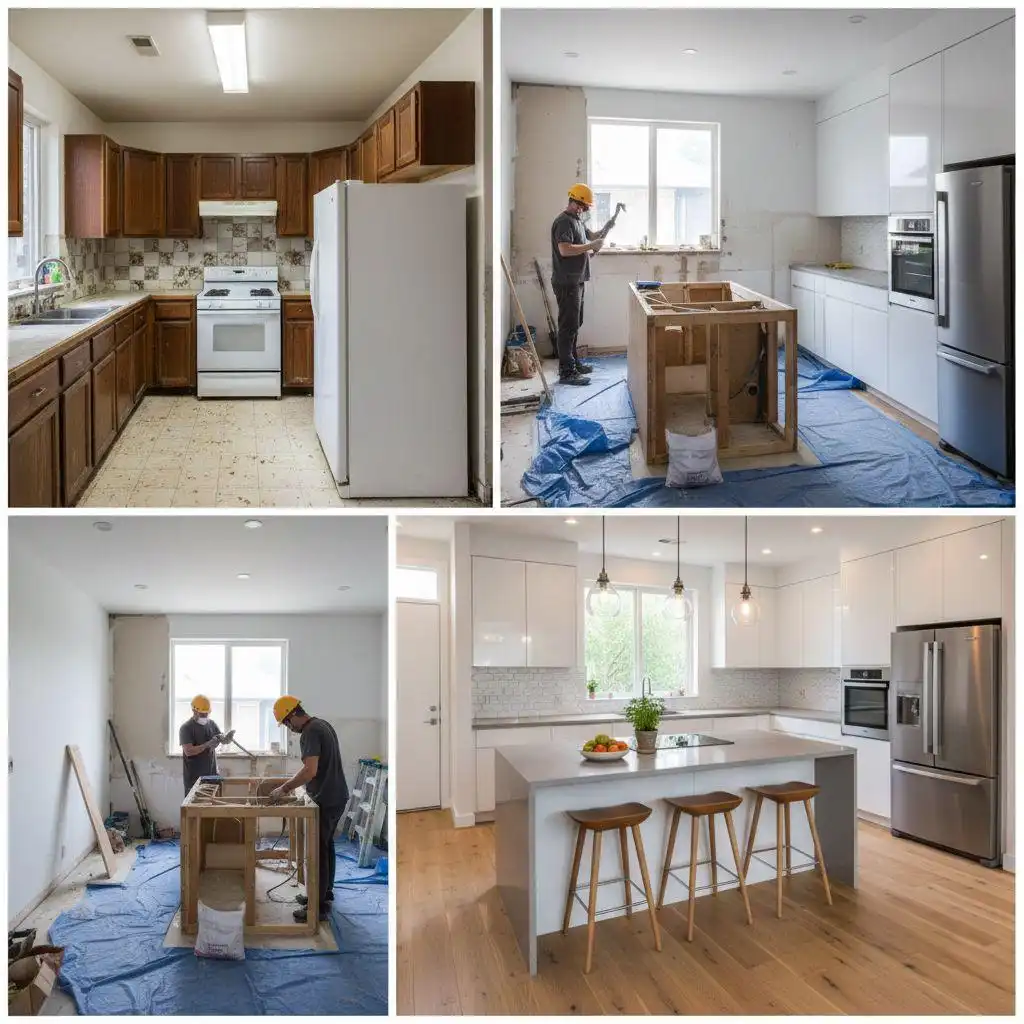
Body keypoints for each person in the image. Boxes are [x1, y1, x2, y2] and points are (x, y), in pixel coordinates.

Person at [269, 696, 350, 923]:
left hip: (327, 798)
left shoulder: (310, 732)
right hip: (336, 795)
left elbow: (310, 770)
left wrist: (284, 789)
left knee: (319, 851)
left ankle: (318, 907)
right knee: (327, 845)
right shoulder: (322, 724)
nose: (289, 728)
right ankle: (325, 894)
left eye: (286, 722)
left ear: (294, 714)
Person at [549, 183, 620, 386]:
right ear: (575, 201)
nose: (584, 210)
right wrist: (591, 246)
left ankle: (574, 363)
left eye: (586, 207)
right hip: (567, 282)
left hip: (577, 280)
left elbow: (593, 236)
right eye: (582, 206)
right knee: (567, 326)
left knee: (575, 324)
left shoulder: (577, 220)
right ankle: (567, 371)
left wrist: (607, 227)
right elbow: (565, 249)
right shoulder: (563, 222)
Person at [179, 695, 232, 795]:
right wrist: (206, 745)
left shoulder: (211, 724)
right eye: (202, 714)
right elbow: (189, 751)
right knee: (195, 809)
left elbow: (219, 739)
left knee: (212, 808)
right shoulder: (186, 728)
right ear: (194, 711)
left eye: (207, 713)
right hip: (194, 780)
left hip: (212, 776)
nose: (205, 716)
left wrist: (226, 739)